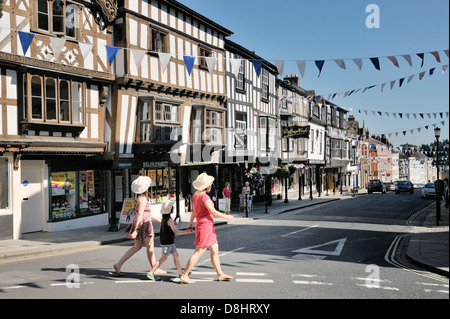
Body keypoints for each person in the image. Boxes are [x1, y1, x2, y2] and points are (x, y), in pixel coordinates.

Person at [179, 173, 234, 284]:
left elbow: (194, 211)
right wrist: (227, 216)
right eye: (210, 184)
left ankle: (220, 274)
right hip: (205, 227)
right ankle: (185, 275)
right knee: (198, 252)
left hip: (206, 226)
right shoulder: (204, 196)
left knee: (214, 250)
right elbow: (213, 212)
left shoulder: (195, 195)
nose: (211, 186)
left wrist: (190, 223)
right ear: (207, 186)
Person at [112, 176, 164, 277]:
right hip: (144, 223)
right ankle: (154, 268)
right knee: (150, 247)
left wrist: (159, 220)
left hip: (141, 221)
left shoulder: (138, 198)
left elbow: (145, 212)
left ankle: (118, 264)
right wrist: (136, 230)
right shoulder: (143, 198)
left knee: (137, 246)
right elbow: (141, 214)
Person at [146, 200, 192, 281]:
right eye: (172, 207)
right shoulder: (169, 219)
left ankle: (180, 273)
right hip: (167, 242)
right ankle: (151, 272)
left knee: (176, 255)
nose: (173, 208)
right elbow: (175, 231)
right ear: (170, 210)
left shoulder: (165, 218)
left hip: (168, 241)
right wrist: (186, 231)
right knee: (163, 258)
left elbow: (169, 226)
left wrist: (174, 224)